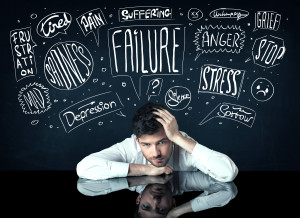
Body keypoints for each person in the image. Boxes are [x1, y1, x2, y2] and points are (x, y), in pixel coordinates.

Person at [76, 101, 238, 182]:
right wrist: (146, 169)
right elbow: (84, 168)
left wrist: (178, 138)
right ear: (138, 141)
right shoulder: (131, 146)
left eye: (162, 142)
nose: (155, 153)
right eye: (146, 144)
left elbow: (228, 172)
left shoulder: (181, 142)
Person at [77, 171, 238, 218]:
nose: (155, 200)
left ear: (139, 199)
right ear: (173, 204)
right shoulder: (185, 181)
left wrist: (144, 178)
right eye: (161, 209)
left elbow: (83, 186)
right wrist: (177, 213)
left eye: (146, 206)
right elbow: (228, 190)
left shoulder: (133, 181)